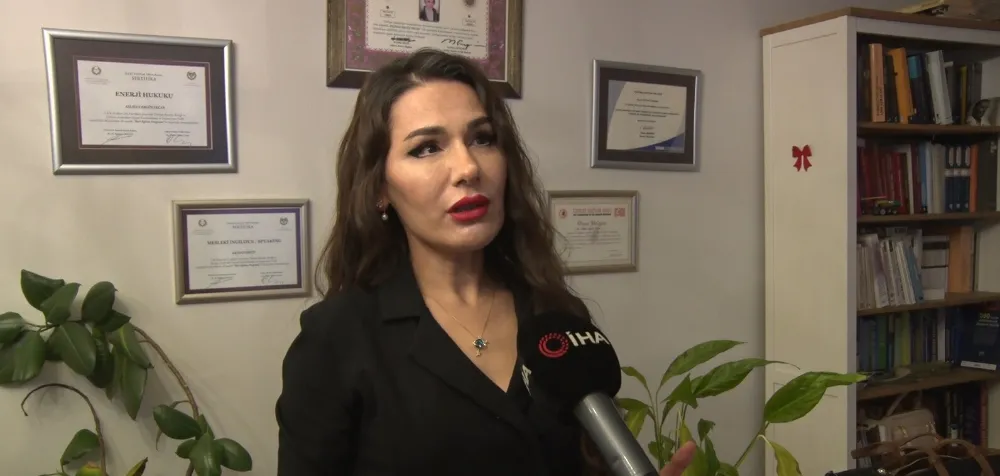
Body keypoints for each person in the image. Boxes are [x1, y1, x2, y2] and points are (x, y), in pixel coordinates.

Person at [274, 48, 695, 476]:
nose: (468, 167)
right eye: (426, 148)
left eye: (482, 139)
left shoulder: (555, 318)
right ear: (380, 188)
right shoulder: (337, 339)